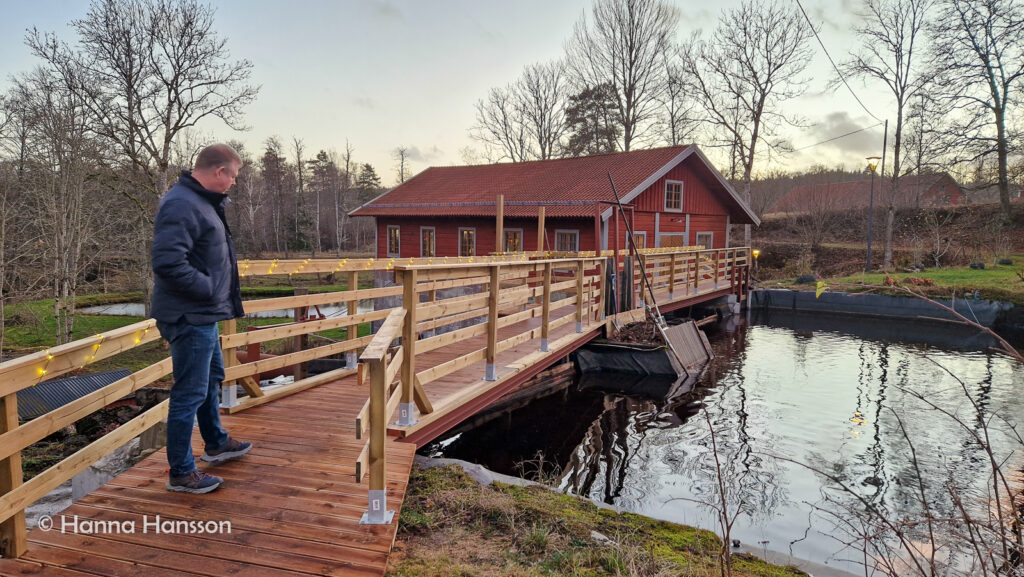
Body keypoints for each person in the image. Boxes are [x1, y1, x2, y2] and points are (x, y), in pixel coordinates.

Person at [151, 143, 252, 494]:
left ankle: (216, 442)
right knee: (189, 391)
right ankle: (181, 472)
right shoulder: (181, 203)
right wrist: (208, 288)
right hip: (189, 313)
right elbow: (167, 262)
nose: (234, 183)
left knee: (212, 377)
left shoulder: (201, 202)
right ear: (219, 171)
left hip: (201, 312)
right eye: (234, 176)